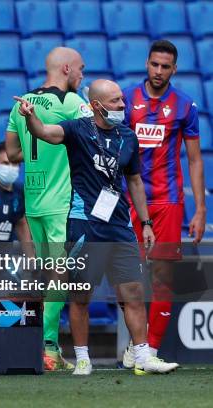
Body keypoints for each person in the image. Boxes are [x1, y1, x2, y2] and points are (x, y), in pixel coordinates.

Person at [13, 79, 179, 375]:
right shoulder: (77, 129)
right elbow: (45, 133)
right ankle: (83, 358)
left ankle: (141, 355)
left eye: (122, 101)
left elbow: (135, 181)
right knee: (81, 295)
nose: (122, 106)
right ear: (97, 105)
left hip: (119, 225)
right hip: (84, 224)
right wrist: (31, 117)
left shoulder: (128, 136)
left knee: (133, 292)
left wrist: (146, 223)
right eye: (115, 101)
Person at [5, 47, 92, 371]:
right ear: (67, 68)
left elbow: (12, 152)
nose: (83, 75)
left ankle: (40, 346)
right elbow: (97, 135)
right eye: (81, 69)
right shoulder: (70, 103)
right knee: (61, 275)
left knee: (48, 276)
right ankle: (48, 348)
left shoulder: (21, 103)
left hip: (34, 199)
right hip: (62, 202)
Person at [121, 40, 206, 367]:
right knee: (127, 277)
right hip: (130, 198)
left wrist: (199, 209)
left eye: (165, 66)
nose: (158, 71)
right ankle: (135, 343)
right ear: (147, 64)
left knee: (163, 277)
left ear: (174, 69)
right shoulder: (126, 99)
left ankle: (150, 351)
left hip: (168, 201)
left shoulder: (185, 106)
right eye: (154, 64)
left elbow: (196, 161)